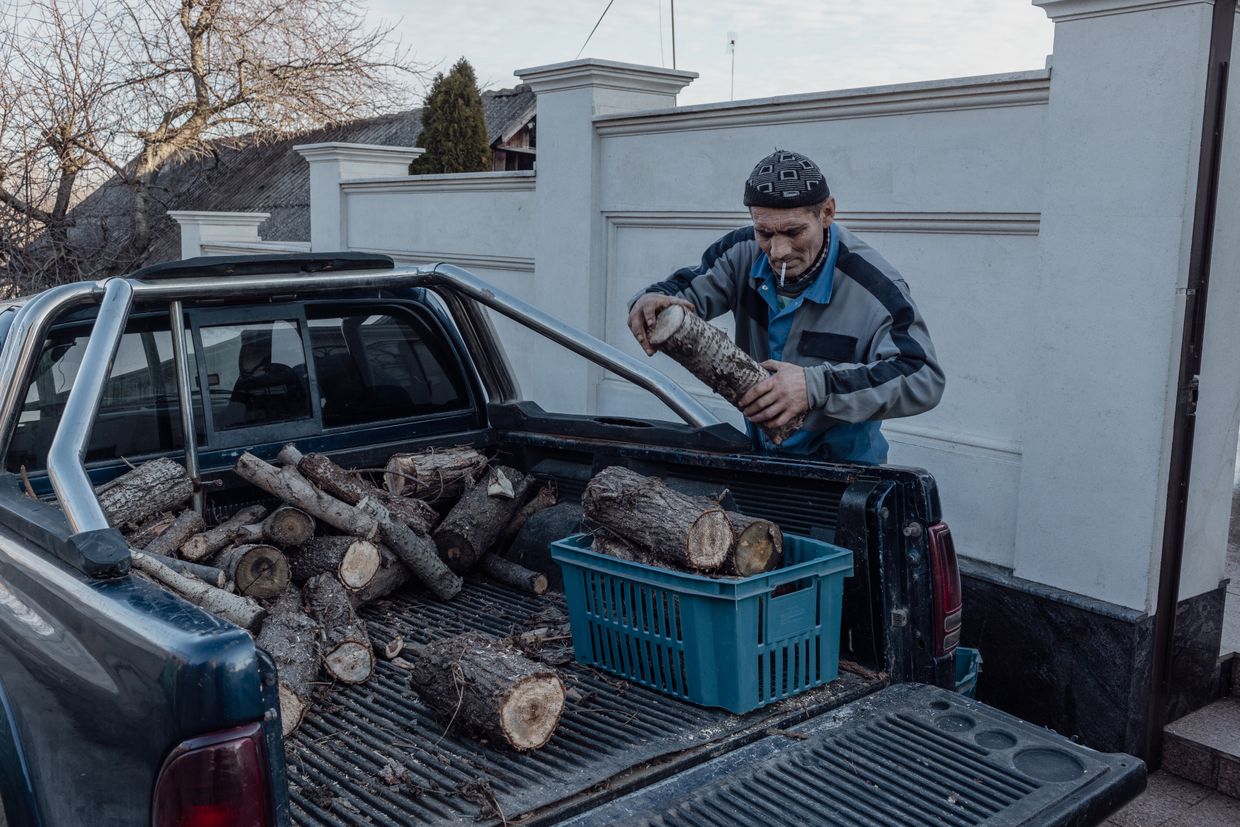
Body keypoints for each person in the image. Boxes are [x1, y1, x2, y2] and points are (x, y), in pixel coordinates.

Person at [627, 149, 944, 464]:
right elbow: (680, 290)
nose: (777, 251)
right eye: (764, 232)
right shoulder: (741, 251)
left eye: (794, 232)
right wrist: (648, 301)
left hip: (848, 472)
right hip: (763, 459)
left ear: (827, 213)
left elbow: (922, 375)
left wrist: (814, 385)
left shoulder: (874, 287)